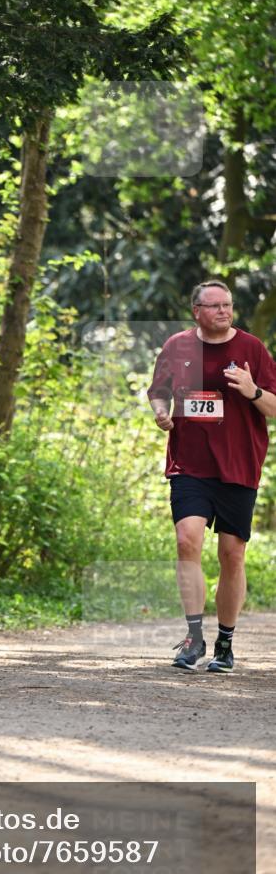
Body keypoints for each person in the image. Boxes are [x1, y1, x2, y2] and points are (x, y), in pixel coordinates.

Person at [148, 280, 276, 673]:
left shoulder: (252, 349)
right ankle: (193, 638)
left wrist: (253, 390)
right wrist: (160, 412)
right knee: (187, 540)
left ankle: (225, 641)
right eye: (214, 305)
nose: (223, 311)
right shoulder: (177, 346)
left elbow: (274, 407)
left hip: (238, 464)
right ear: (196, 311)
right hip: (190, 463)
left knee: (231, 555)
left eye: (227, 305)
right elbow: (158, 390)